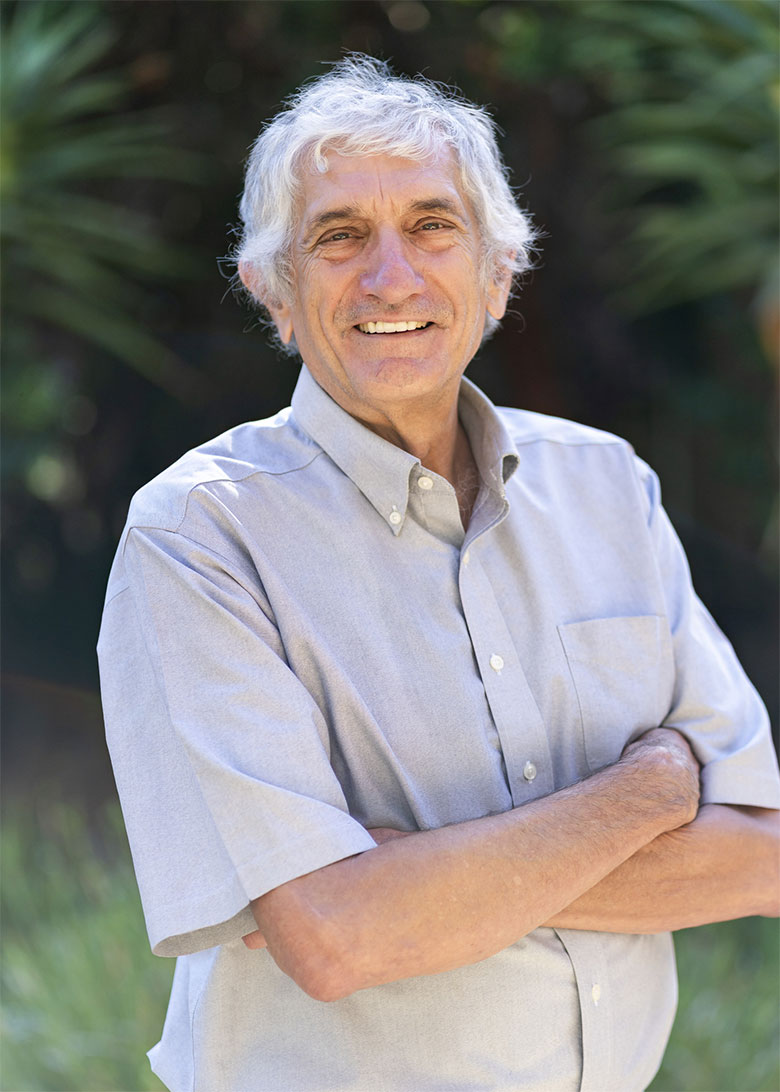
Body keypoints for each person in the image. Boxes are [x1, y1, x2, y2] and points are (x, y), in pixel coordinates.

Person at [98, 56, 779, 1092]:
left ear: (496, 272)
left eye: (431, 226)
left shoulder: (606, 486)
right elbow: (334, 939)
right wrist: (650, 790)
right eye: (339, 237)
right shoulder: (197, 537)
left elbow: (762, 853)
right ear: (274, 290)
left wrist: (412, 882)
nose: (391, 277)